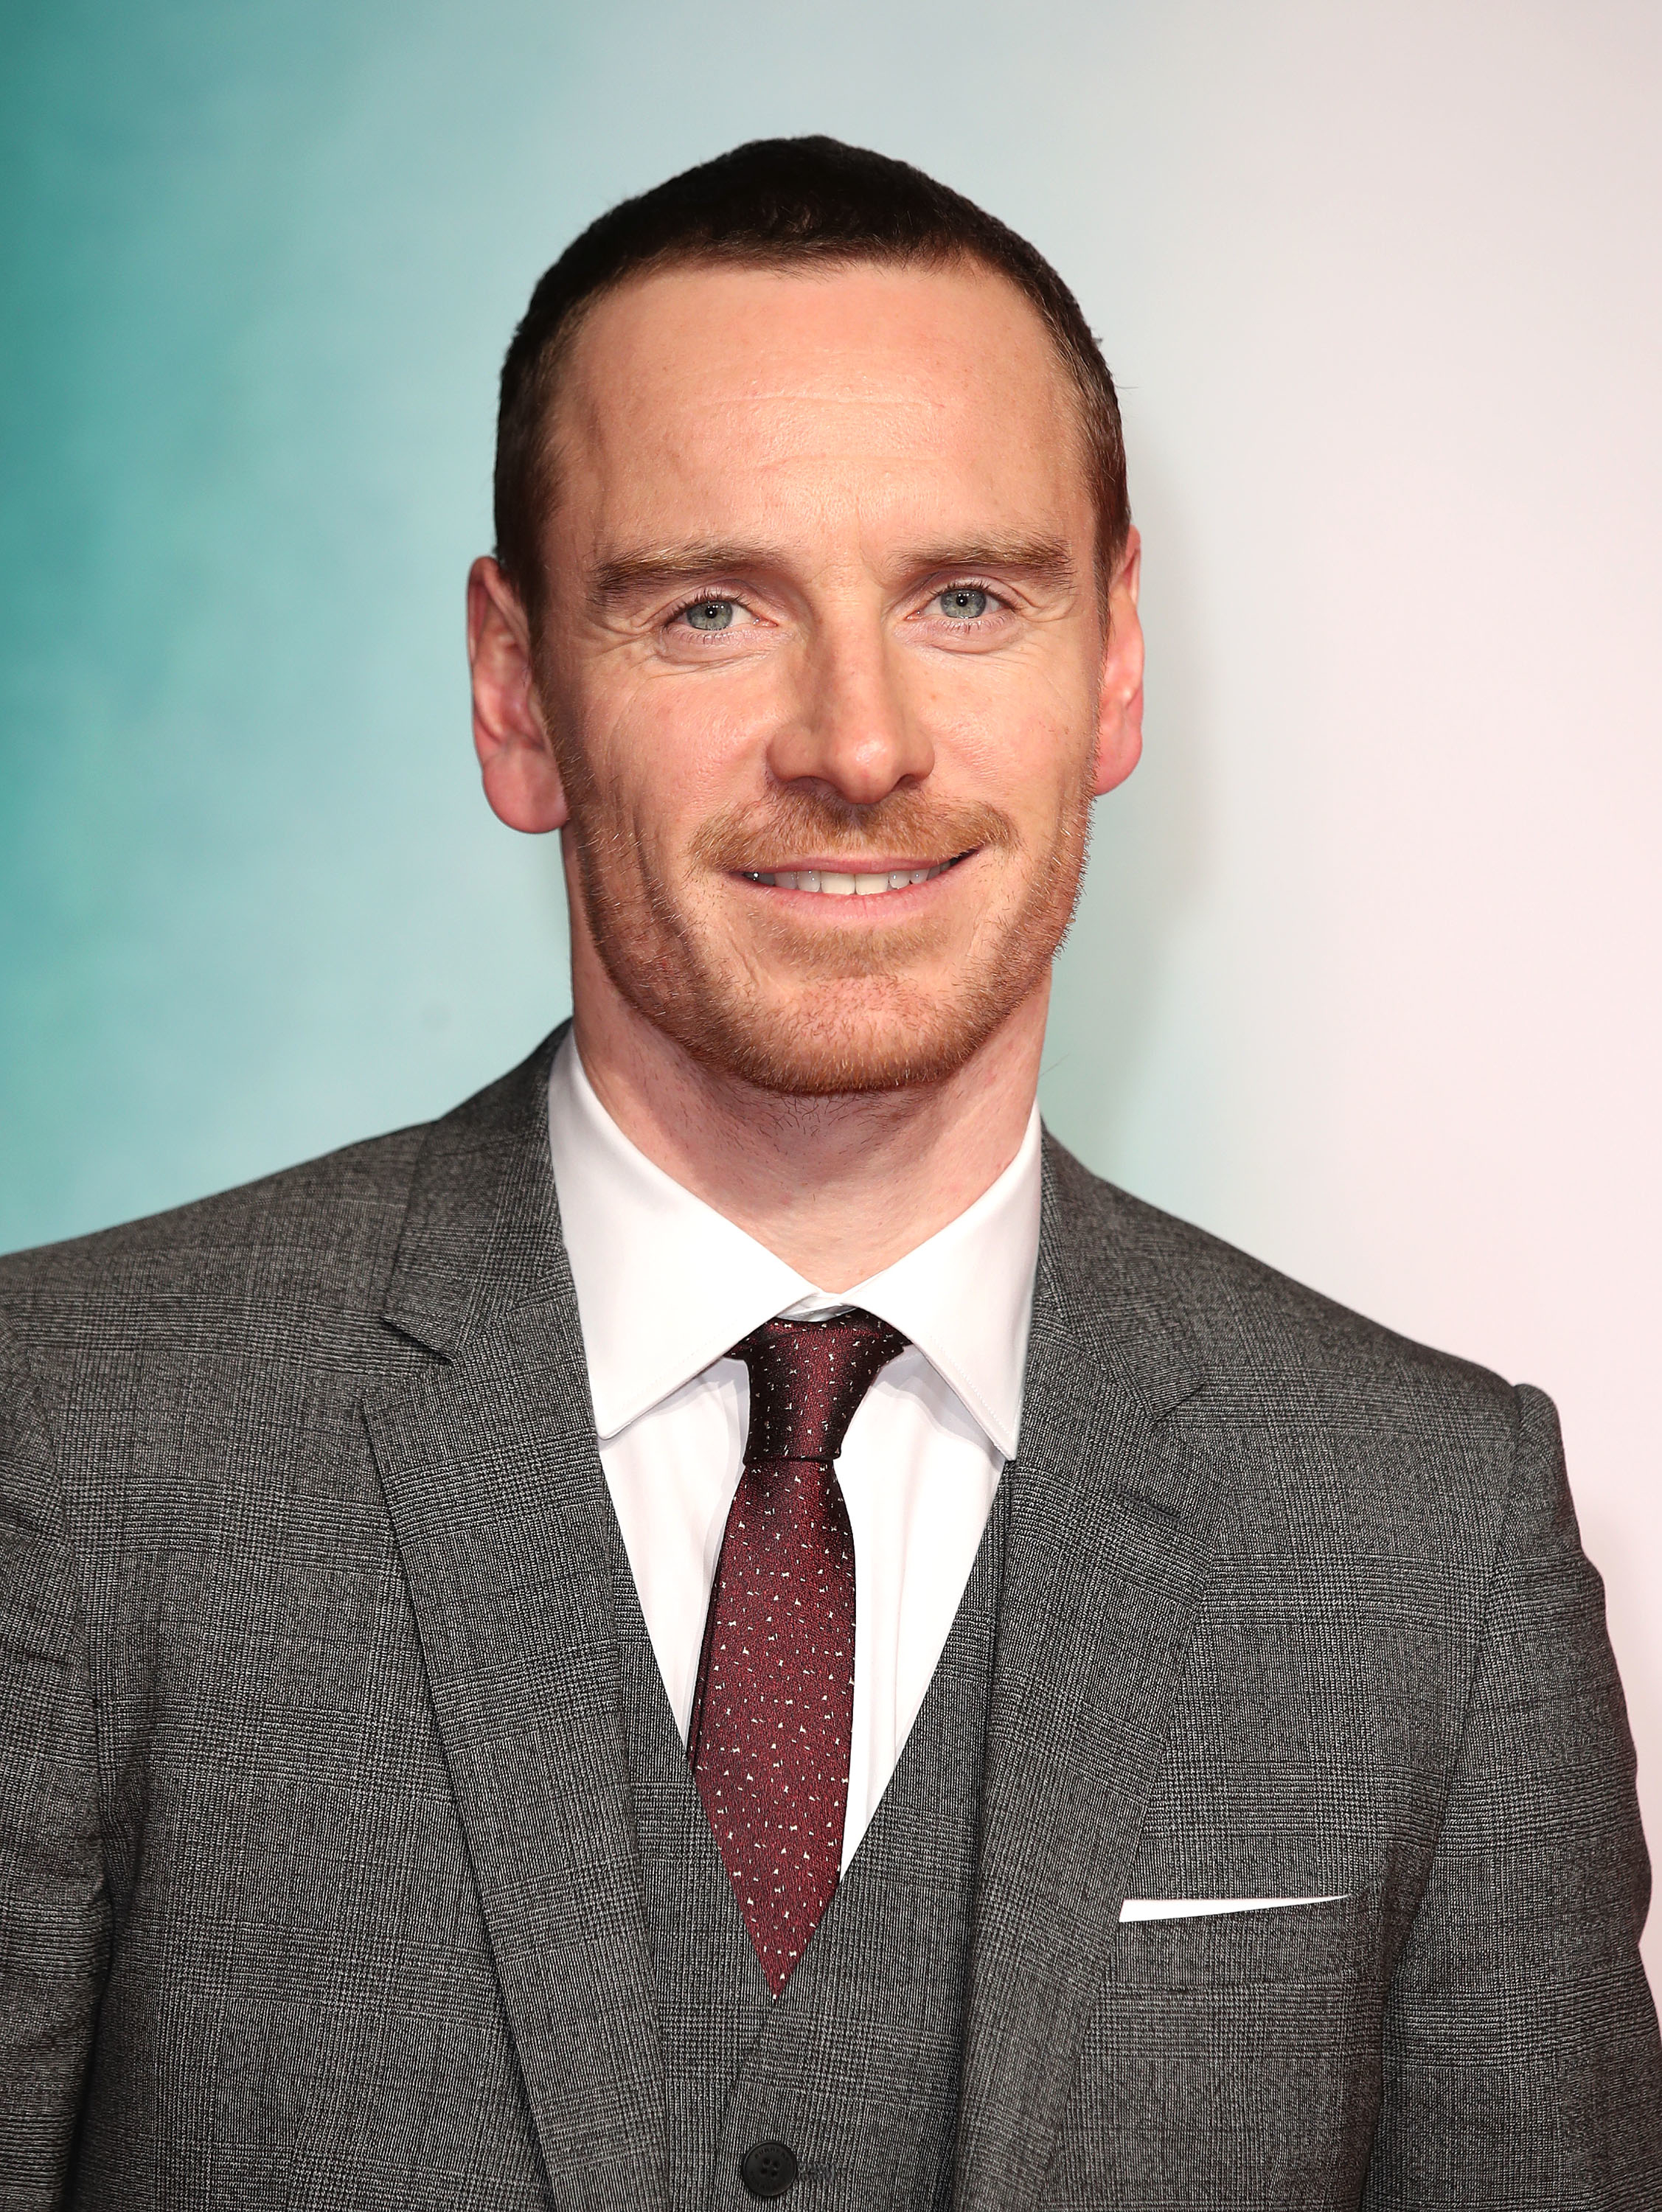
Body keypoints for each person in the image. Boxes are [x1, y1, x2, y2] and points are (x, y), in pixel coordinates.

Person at [0, 135, 1656, 2212]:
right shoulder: (60, 1441)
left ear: (1115, 662)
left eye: (967, 598)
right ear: (519, 697)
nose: (857, 742)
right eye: (712, 609)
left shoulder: (1432, 1540)